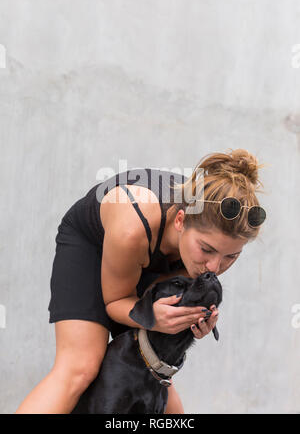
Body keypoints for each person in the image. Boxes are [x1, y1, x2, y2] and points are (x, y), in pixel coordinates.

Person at [15, 148, 266, 414]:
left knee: (157, 377)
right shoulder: (131, 229)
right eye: (206, 250)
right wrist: (154, 318)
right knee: (80, 367)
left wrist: (193, 317)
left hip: (153, 253)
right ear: (180, 221)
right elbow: (116, 301)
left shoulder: (207, 227)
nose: (215, 267)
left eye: (231, 256)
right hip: (94, 246)